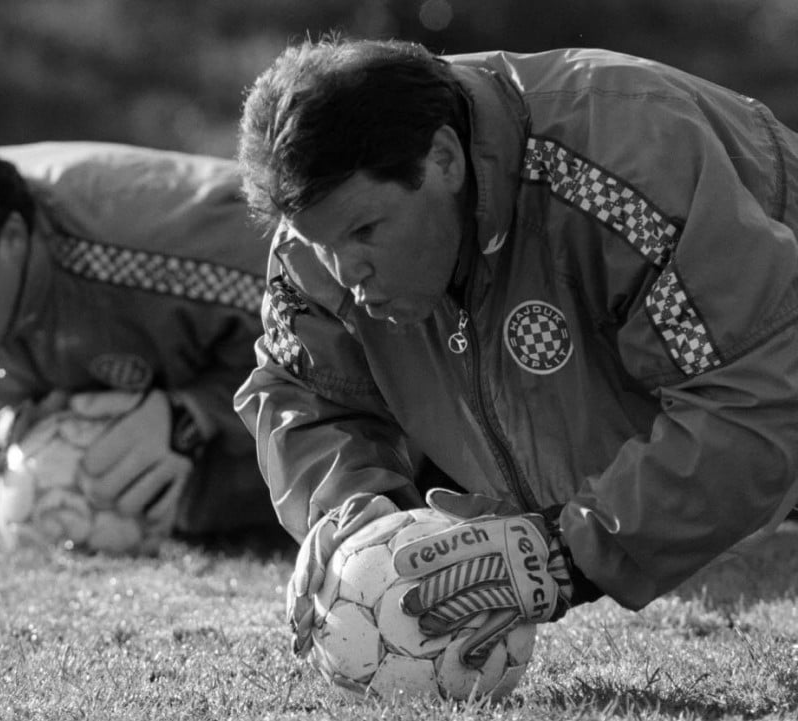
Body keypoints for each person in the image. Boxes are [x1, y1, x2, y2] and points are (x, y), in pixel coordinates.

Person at [233, 37, 798, 660]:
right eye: (318, 243)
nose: (344, 272)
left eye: (365, 231)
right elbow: (307, 396)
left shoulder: (631, 161)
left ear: (445, 160)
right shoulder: (317, 230)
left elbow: (757, 390)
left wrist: (564, 554)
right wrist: (352, 518)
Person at [0, 117, 284, 549]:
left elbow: (331, 340)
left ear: (11, 238)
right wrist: (26, 417)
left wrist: (195, 417)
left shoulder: (180, 243)